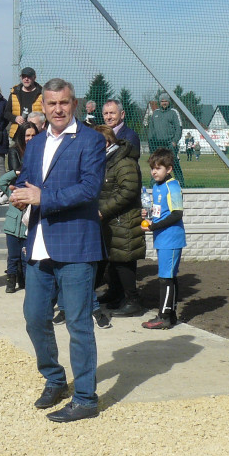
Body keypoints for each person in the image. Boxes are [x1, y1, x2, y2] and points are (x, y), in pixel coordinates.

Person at [11, 78, 106, 423]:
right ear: (44, 107)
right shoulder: (35, 144)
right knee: (35, 317)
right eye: (51, 104)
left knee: (79, 324)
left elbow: (89, 189)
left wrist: (42, 197)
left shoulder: (91, 140)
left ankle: (85, 398)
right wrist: (19, 191)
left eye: (63, 103)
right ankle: (54, 378)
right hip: (39, 244)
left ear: (74, 103)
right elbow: (27, 179)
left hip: (77, 245)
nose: (58, 109)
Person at [95, 125, 146, 316]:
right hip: (112, 219)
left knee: (124, 260)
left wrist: (103, 210)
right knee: (114, 259)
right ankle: (116, 294)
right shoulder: (108, 160)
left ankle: (133, 301)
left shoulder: (123, 162)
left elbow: (128, 191)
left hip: (123, 220)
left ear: (106, 142)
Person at [140, 148, 187, 329]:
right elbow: (160, 211)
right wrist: (148, 213)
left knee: (165, 278)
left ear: (168, 169)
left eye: (158, 168)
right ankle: (171, 314)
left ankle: (164, 316)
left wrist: (154, 226)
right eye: (152, 168)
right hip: (162, 238)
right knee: (168, 277)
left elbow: (176, 214)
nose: (154, 172)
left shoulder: (172, 187)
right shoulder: (157, 187)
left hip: (171, 239)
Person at [0, 123, 40, 293]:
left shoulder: (40, 152)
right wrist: (16, 173)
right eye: (27, 135)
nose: (30, 139)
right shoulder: (15, 151)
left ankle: (25, 281)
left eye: (33, 135)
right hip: (15, 214)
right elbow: (3, 182)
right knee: (13, 256)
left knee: (25, 255)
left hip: (30, 212)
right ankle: (11, 281)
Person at [146, 94, 184, 185]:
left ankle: (180, 182)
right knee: (156, 164)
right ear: (159, 102)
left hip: (169, 144)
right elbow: (151, 128)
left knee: (173, 163)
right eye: (162, 101)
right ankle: (154, 183)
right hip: (157, 144)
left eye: (166, 101)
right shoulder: (155, 113)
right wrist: (151, 141)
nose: (164, 103)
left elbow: (179, 128)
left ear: (169, 102)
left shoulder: (173, 112)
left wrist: (174, 141)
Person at [5, 67, 43, 144]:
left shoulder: (41, 93)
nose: (26, 79)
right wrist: (15, 118)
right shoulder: (14, 92)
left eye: (29, 76)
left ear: (34, 77)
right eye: (24, 76)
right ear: (21, 78)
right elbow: (6, 113)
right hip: (17, 133)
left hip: (36, 134)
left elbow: (46, 113)